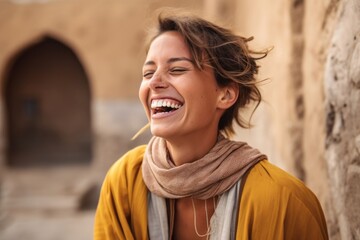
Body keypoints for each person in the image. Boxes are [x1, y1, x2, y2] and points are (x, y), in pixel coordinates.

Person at [94, 10, 328, 240]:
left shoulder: (284, 202)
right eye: (148, 72)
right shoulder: (124, 183)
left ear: (225, 95)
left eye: (177, 69)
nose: (154, 82)